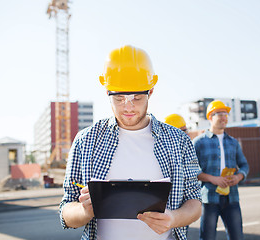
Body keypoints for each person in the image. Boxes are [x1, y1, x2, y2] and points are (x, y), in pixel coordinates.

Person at [59, 45, 202, 240]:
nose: (128, 107)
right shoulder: (86, 140)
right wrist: (85, 211)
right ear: (107, 91)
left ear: (150, 91)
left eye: (136, 97)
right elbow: (66, 212)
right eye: (119, 98)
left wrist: (174, 218)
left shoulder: (179, 141)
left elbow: (194, 201)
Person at [192, 100, 249, 240]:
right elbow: (191, 170)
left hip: (232, 198)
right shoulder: (199, 142)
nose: (224, 117)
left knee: (237, 237)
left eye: (226, 114)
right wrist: (213, 178)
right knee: (207, 237)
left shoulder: (233, 142)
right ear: (210, 117)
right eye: (220, 114)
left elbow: (244, 166)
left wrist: (239, 177)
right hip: (209, 198)